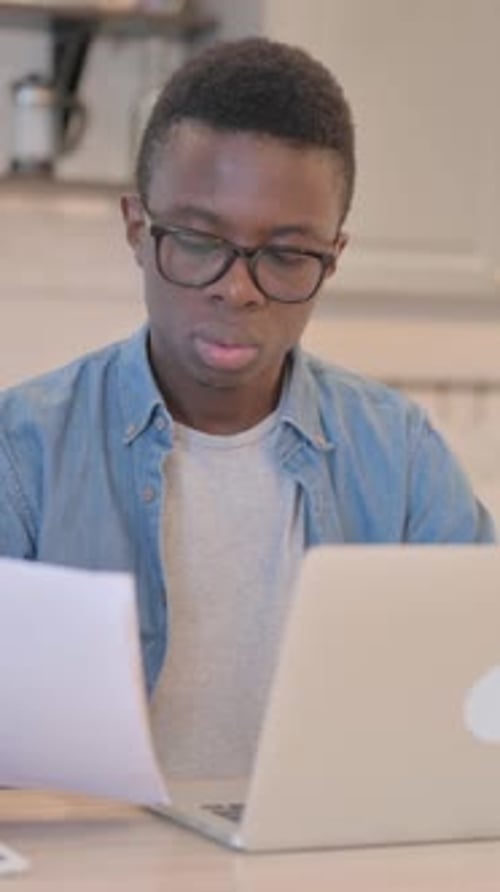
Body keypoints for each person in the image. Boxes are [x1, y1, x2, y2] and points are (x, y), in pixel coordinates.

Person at [0, 38, 495, 778]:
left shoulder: (401, 454)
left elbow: (480, 689)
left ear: (334, 254)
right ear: (138, 229)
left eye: (288, 254)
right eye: (199, 241)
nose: (239, 289)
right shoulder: (23, 451)